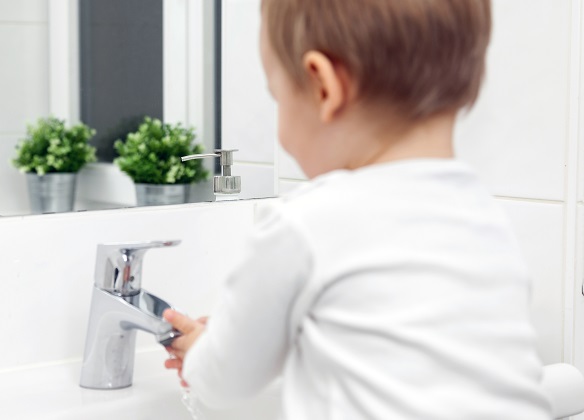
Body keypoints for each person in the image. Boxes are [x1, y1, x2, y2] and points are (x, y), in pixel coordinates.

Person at [163, 0, 552, 418]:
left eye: (277, 97)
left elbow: (227, 382)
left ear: (323, 88)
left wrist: (202, 348)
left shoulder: (306, 223)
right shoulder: (487, 223)